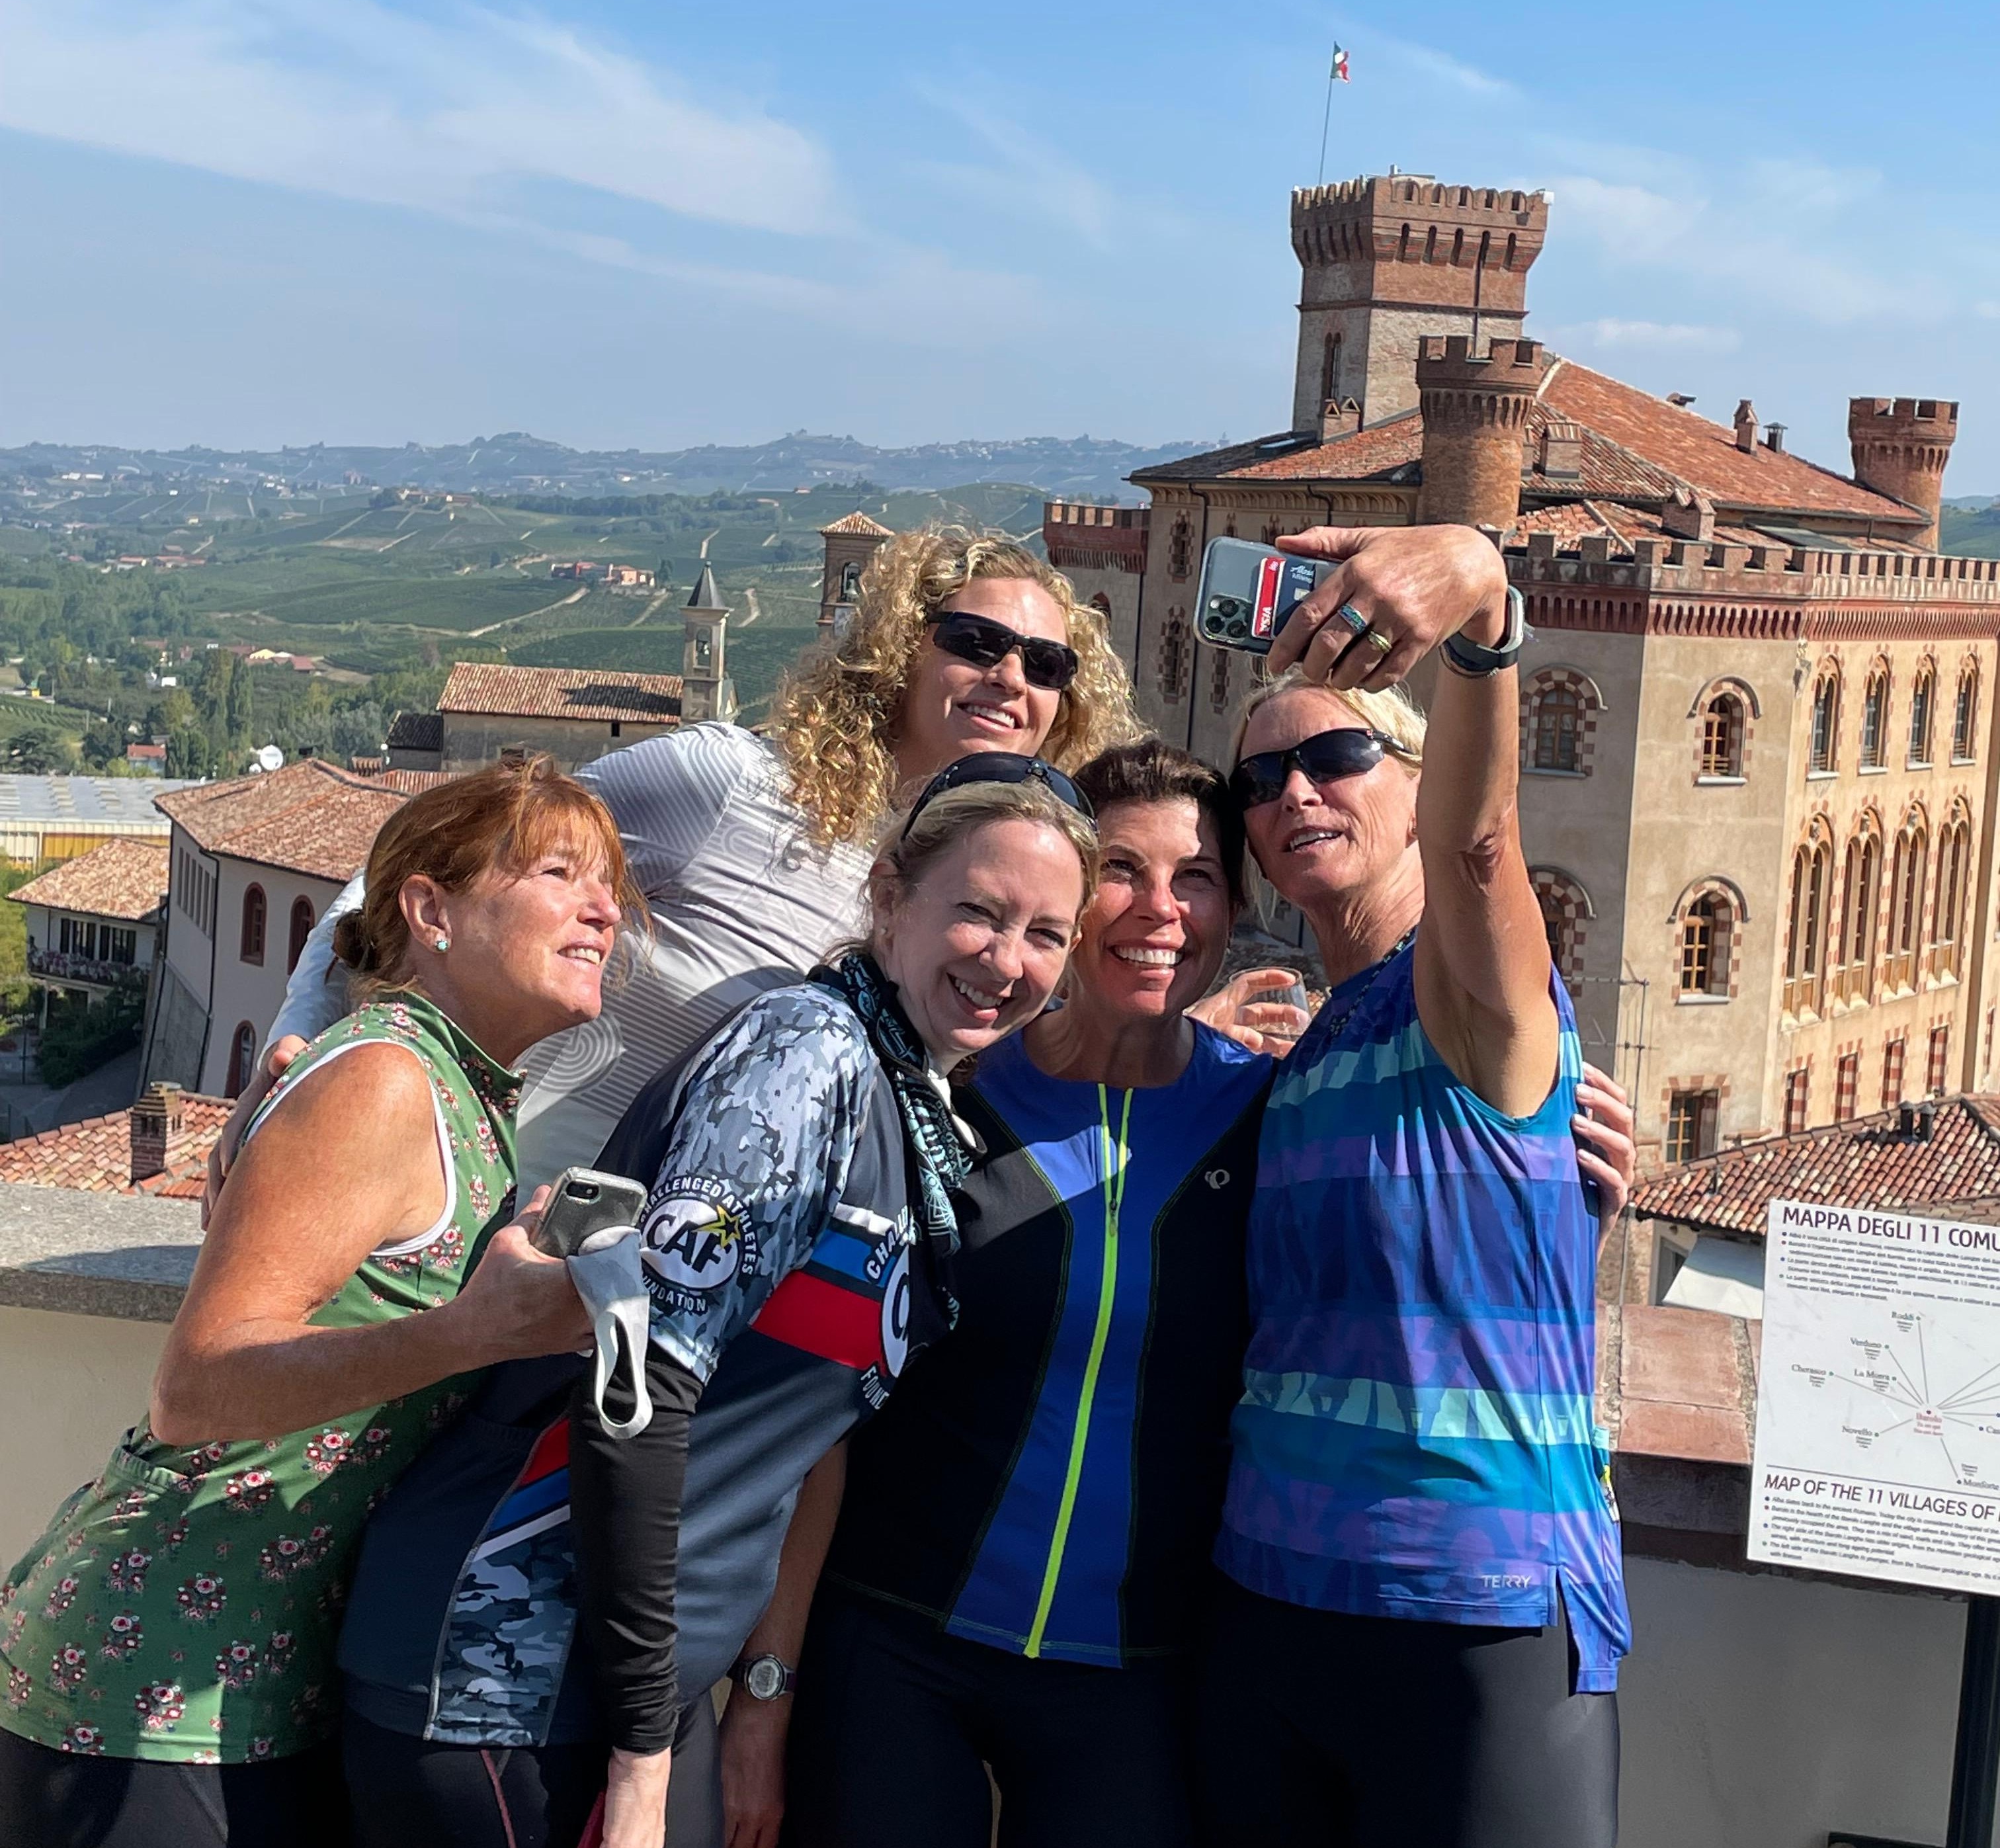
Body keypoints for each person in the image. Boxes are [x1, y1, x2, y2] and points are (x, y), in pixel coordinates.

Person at [758, 739, 1636, 1848]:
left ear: (1233, 910)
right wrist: (766, 1688)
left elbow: (1411, 1232)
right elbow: (816, 1404)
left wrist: (1562, 1192)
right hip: (895, 1643)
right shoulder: (948, 1098)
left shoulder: (1270, 1112)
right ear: (1071, 896)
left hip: (1139, 1676)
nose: (1159, 909)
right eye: (1121, 870)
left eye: (1199, 878)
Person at [329, 758, 1101, 1848]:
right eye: (978, 912)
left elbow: (784, 1438)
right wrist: (645, 1758)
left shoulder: (907, 1099)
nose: (1007, 961)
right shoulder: (806, 1061)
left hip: (626, 1681)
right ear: (889, 898)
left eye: (1046, 934)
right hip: (506, 1672)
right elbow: (634, 1385)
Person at [0, 758, 633, 1848]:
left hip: (245, 1688)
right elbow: (196, 1387)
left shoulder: (462, 1095)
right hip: (149, 1696)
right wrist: (466, 1331)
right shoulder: (382, 1080)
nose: (605, 908)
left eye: (611, 885)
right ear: (430, 910)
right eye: (559, 871)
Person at [239, 527, 1145, 1201]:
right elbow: (420, 856)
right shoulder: (730, 786)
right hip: (488, 1250)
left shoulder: (1002, 914)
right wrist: (306, 1048)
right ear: (900, 646)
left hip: (691, 1346)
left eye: (1047, 662)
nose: (1011, 676)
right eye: (974, 642)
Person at [1192, 524, 1630, 1848]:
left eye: (1336, 757)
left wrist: (1484, 604)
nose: (1293, 795)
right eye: (1262, 778)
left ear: (1417, 778)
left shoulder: (1470, 991)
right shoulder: (1307, 1044)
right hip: (1263, 1601)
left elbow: (1483, 850)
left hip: (1473, 1606)